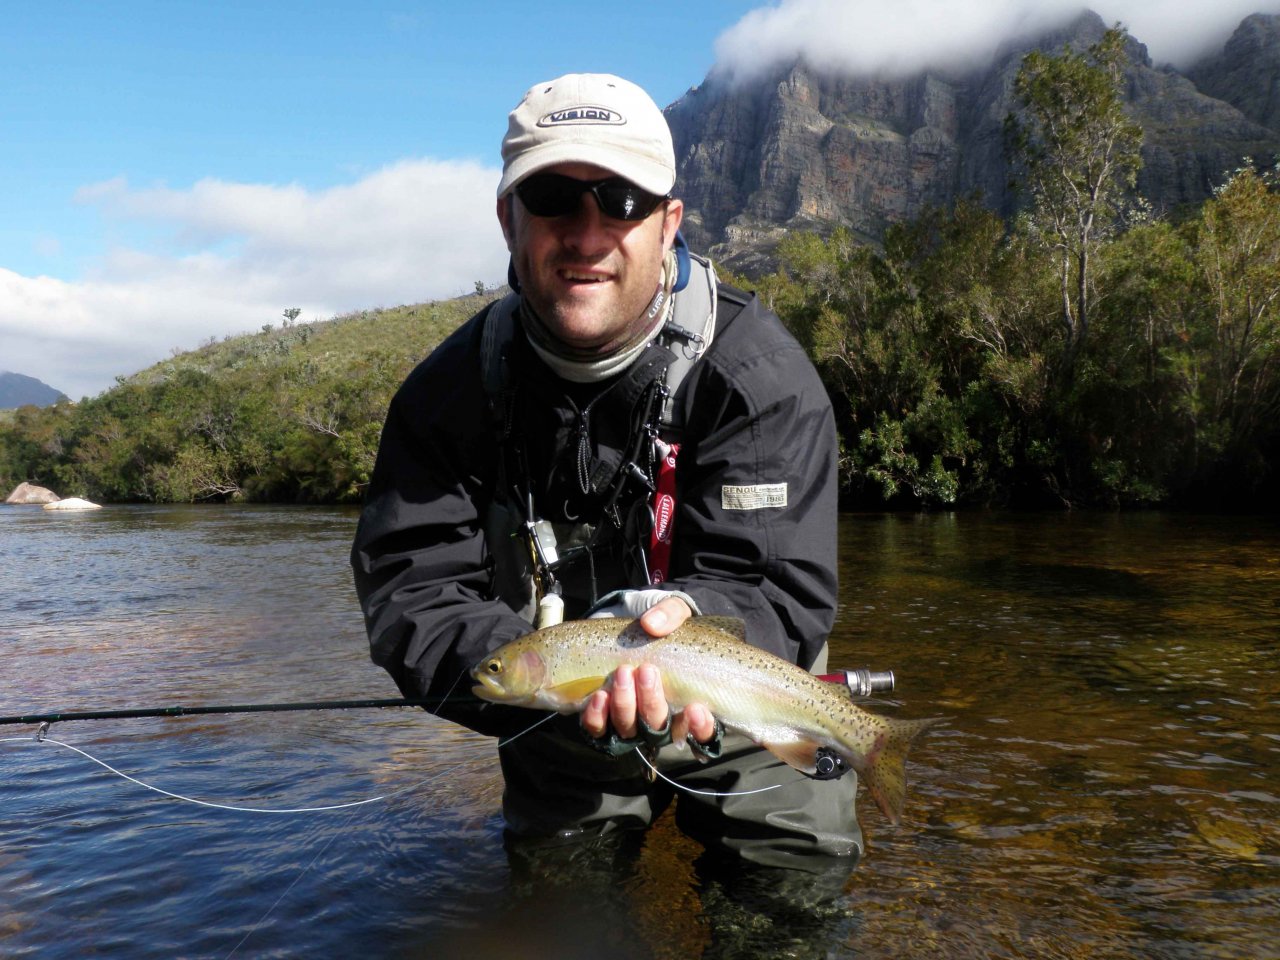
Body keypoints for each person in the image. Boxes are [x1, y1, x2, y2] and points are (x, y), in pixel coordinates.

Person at [351, 73, 860, 866]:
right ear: (507, 217)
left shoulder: (759, 379)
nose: (587, 234)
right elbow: (414, 591)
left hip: (747, 686)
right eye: (554, 196)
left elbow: (774, 586)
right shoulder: (445, 397)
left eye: (622, 201)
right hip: (558, 709)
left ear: (669, 224)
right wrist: (538, 674)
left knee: (786, 899)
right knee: (562, 911)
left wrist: (699, 623)